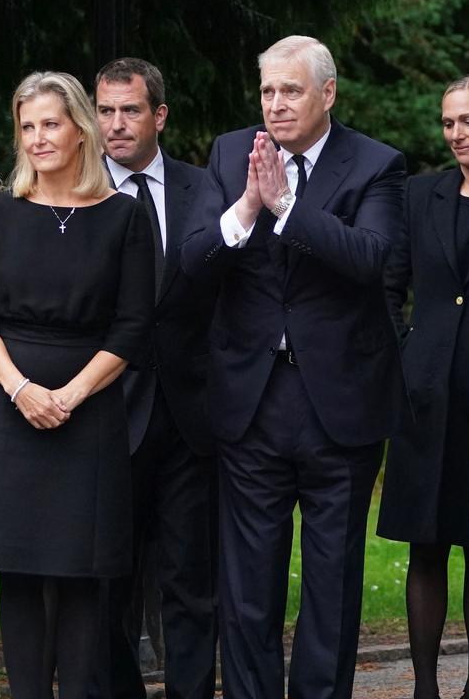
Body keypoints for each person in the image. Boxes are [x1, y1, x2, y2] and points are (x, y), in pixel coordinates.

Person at [179, 34, 406, 699]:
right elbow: (191, 264)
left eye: (291, 91)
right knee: (248, 587)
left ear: (327, 94)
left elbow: (372, 260)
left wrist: (287, 208)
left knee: (332, 586)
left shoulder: (375, 164)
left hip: (341, 406)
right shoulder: (230, 154)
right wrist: (248, 205)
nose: (275, 105)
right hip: (252, 401)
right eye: (268, 91)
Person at [0, 70, 153, 699]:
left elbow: (134, 324)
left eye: (50, 124)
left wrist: (71, 395)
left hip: (89, 415)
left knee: (86, 580)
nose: (37, 138)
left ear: (80, 129)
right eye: (27, 126)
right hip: (9, 412)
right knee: (23, 578)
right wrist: (19, 389)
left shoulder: (124, 216)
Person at [378, 73, 469, 699]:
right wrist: (405, 348)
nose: (456, 133)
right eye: (448, 122)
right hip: (425, 395)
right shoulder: (417, 194)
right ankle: (425, 686)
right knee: (426, 546)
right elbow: (389, 283)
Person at [94, 57, 219, 699]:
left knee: (192, 582)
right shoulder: (79, 191)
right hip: (106, 416)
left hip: (192, 419)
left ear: (159, 115)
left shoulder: (207, 188)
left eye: (130, 110)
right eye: (106, 110)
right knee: (107, 583)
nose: (116, 124)